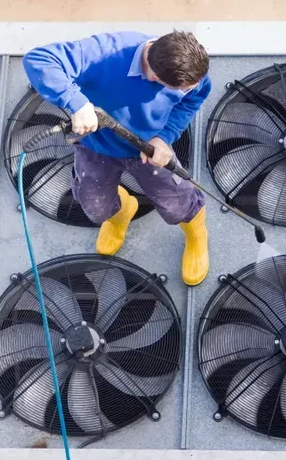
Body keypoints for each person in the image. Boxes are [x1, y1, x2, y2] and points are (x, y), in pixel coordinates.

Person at [23, 31, 212, 286]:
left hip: (146, 148)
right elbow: (38, 59)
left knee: (177, 204)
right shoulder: (105, 51)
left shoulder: (192, 72)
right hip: (95, 145)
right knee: (96, 208)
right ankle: (122, 214)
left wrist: (165, 136)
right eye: (180, 89)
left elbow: (192, 100)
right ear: (154, 77)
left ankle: (196, 235)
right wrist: (77, 104)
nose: (190, 89)